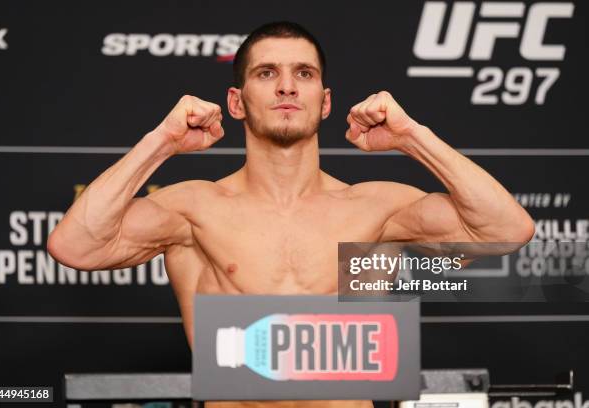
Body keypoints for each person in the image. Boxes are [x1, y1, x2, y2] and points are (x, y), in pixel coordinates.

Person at [47, 21, 535, 408]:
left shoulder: (377, 211)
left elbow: (506, 230)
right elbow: (75, 246)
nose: (286, 87)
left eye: (303, 73)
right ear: (236, 103)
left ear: (324, 102)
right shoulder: (194, 210)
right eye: (266, 73)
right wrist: (162, 143)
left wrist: (411, 137)